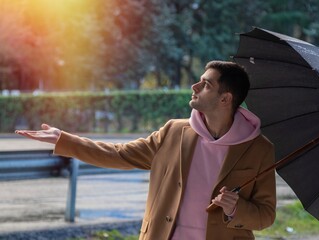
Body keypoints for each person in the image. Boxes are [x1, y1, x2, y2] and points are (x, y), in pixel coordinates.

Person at [16, 60, 276, 240]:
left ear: (225, 99)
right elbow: (118, 153)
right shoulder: (174, 132)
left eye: (206, 84)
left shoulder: (258, 149)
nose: (194, 87)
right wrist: (64, 139)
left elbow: (265, 215)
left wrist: (235, 208)